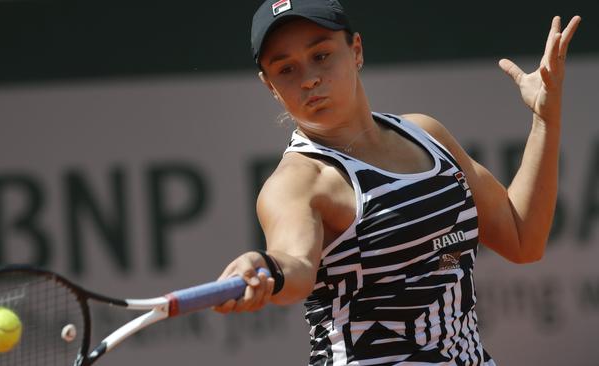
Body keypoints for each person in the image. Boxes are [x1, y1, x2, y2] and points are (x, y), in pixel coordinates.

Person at [214, 0, 581, 364]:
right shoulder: (296, 183)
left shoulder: (426, 133)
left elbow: (522, 238)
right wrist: (266, 267)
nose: (308, 78)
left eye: (321, 55)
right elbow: (294, 262)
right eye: (286, 69)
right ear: (270, 86)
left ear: (355, 49)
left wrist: (545, 120)